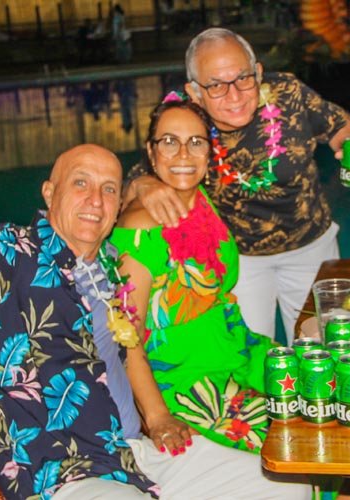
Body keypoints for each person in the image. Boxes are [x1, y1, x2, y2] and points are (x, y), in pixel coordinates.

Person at [0, 143, 309, 499]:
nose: (95, 199)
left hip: (131, 455)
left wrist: (157, 418)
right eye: (81, 183)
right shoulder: (11, 251)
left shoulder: (109, 266)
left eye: (109, 189)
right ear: (49, 193)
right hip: (58, 474)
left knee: (285, 485)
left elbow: (129, 349)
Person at [123, 28, 350, 345]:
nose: (234, 96)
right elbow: (135, 179)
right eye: (216, 85)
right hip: (239, 260)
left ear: (258, 73)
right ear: (194, 91)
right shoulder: (184, 119)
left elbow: (341, 123)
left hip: (311, 247)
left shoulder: (288, 93)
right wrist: (143, 185)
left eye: (243, 78)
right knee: (250, 352)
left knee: (323, 348)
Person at [109, 98, 276, 453]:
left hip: (236, 353)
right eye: (169, 141)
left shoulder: (199, 200)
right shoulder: (139, 231)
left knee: (322, 391)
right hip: (189, 382)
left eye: (195, 142)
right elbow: (126, 338)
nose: (183, 153)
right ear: (151, 153)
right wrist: (157, 418)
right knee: (292, 441)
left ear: (209, 153)